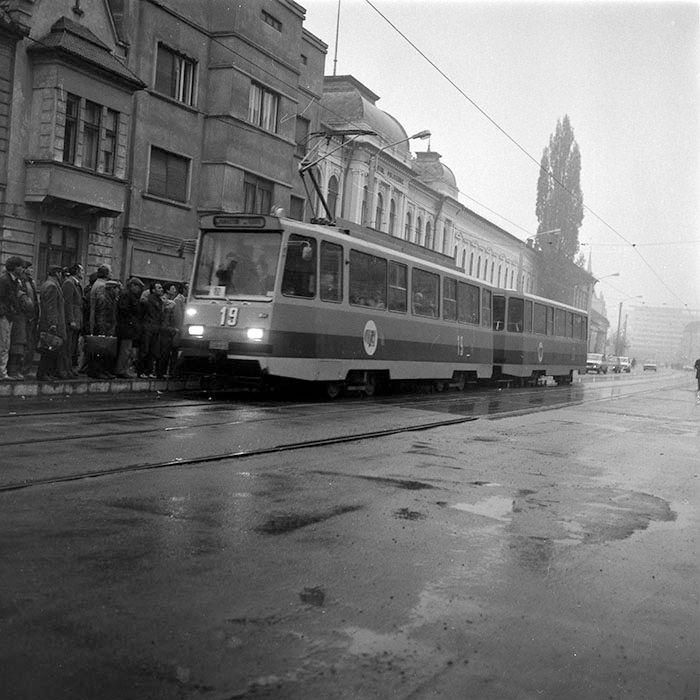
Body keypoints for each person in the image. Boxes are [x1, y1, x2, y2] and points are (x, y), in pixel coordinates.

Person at [37, 265, 68, 381]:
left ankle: (46, 373)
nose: (61, 276)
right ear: (57, 274)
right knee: (49, 349)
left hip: (48, 322)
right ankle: (43, 373)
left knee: (49, 348)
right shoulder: (52, 286)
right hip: (52, 323)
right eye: (60, 274)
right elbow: (51, 307)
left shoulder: (47, 284)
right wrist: (53, 324)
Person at [87, 279, 120, 379]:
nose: (118, 291)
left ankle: (103, 371)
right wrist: (103, 328)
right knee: (100, 351)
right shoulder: (105, 298)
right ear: (112, 289)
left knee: (105, 351)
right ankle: (98, 371)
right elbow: (101, 314)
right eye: (117, 289)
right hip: (104, 326)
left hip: (108, 326)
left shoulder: (111, 297)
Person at [0, 256, 25, 380]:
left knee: (5, 344)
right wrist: (5, 312)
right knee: (3, 344)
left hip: (8, 316)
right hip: (4, 316)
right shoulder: (5, 280)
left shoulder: (13, 281)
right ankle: (2, 373)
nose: (22, 269)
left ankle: (3, 372)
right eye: (20, 266)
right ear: (15, 267)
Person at [114, 277, 144, 378]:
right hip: (126, 327)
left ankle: (122, 369)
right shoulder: (127, 296)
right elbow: (125, 310)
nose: (139, 290)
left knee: (126, 350)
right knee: (125, 350)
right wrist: (132, 322)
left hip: (128, 327)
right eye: (138, 287)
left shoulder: (130, 296)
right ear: (132, 286)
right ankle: (121, 370)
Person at [139, 281, 165, 378]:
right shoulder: (148, 300)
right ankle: (142, 371)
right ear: (153, 290)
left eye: (161, 288)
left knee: (152, 351)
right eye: (159, 288)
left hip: (155, 328)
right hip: (148, 327)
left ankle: (148, 371)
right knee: (145, 350)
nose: (161, 289)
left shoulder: (160, 301)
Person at [62, 263, 83, 377]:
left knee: (72, 347)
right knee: (68, 346)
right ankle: (65, 369)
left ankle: (69, 369)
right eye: (81, 270)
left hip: (76, 319)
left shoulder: (75, 283)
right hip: (72, 321)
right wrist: (71, 320)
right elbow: (67, 303)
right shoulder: (69, 283)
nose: (82, 273)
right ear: (76, 271)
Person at [20, 260, 39, 377]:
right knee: (24, 343)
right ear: (24, 269)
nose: (31, 270)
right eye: (29, 268)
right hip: (25, 318)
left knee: (31, 344)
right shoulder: (21, 282)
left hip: (33, 317)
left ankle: (26, 369)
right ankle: (21, 369)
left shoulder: (32, 282)